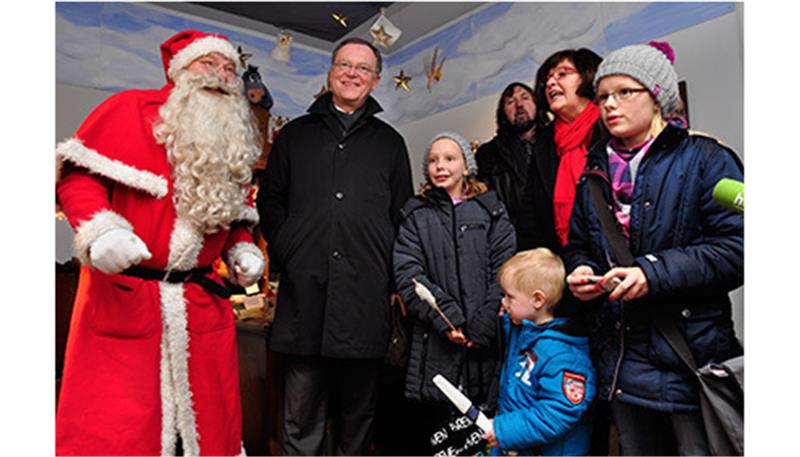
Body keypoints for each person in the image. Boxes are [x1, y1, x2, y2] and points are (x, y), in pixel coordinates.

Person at [55, 30, 265, 456]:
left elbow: (235, 219)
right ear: (180, 70)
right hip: (126, 298)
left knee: (209, 426)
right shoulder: (129, 110)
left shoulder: (233, 143)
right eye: (209, 64)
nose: (221, 75)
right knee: (119, 428)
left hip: (200, 306)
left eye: (230, 69)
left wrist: (241, 248)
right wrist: (102, 229)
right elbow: (78, 180)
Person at [564, 41, 743, 456]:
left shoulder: (706, 158)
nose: (610, 104)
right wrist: (581, 271)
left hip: (690, 359)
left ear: (658, 95)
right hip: (621, 366)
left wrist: (653, 272)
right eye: (603, 96)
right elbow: (578, 245)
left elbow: (740, 248)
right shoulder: (592, 173)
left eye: (625, 91)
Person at [256, 37, 413, 455]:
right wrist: (287, 247)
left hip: (366, 297)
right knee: (301, 417)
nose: (352, 74)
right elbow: (270, 200)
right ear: (330, 73)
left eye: (363, 68)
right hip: (305, 294)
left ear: (375, 80)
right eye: (344, 64)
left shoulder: (390, 143)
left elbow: (403, 216)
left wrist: (393, 279)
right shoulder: (294, 136)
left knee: (357, 418)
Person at [393, 131, 516, 454]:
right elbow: (409, 274)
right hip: (436, 343)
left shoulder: (492, 211)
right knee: (440, 440)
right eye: (433, 160)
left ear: (466, 166)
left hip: (485, 345)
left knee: (483, 437)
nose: (440, 166)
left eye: (450, 158)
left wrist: (482, 326)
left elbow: (505, 271)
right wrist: (448, 321)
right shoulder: (415, 215)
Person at [483, 248, 596, 455]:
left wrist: (504, 430)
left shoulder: (564, 356)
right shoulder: (523, 332)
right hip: (518, 445)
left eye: (509, 297)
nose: (503, 302)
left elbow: (557, 413)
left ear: (537, 300)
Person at [517, 48, 607, 254]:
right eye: (547, 78)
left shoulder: (612, 124)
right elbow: (531, 214)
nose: (550, 83)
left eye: (562, 74)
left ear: (588, 76)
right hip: (567, 259)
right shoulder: (543, 143)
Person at [475, 82, 539, 249]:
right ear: (503, 114)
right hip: (516, 245)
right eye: (510, 102)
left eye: (525, 98)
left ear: (536, 104)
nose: (519, 105)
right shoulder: (488, 154)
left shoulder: (556, 140)